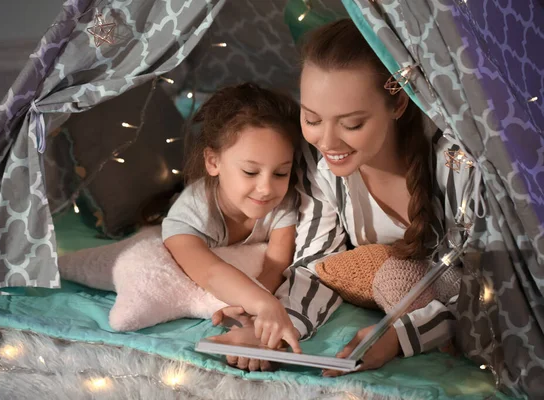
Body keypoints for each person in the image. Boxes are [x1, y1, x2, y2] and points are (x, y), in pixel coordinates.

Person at [214, 19, 473, 374]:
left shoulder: (456, 166)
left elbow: (495, 292)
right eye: (312, 119)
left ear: (398, 105)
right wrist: (272, 329)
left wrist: (400, 336)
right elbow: (318, 264)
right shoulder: (325, 172)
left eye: (351, 124)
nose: (328, 142)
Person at [162, 83, 304, 353]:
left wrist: (254, 317)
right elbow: (211, 272)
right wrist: (265, 305)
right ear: (213, 162)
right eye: (250, 172)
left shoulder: (284, 202)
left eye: (280, 173)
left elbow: (275, 266)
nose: (266, 188)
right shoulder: (189, 215)